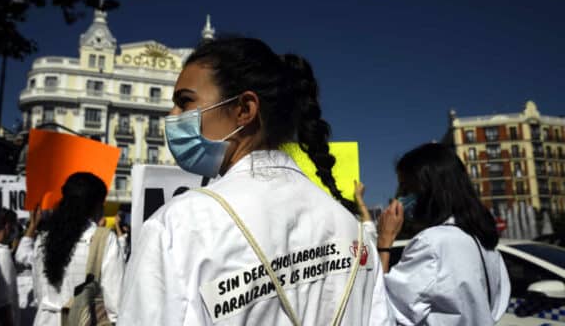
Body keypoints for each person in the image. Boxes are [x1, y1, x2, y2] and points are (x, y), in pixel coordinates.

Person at [118, 37, 392, 325]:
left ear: (244, 110)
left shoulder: (178, 225)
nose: (171, 115)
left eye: (184, 101)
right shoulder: (354, 232)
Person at [377, 143, 511, 325]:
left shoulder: (433, 243)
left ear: (427, 189)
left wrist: (385, 240)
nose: (400, 199)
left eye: (406, 188)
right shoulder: (481, 239)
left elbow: (383, 309)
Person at [26, 172, 123, 326]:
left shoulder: (42, 239)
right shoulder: (105, 239)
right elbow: (115, 304)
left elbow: (39, 295)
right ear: (95, 205)